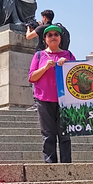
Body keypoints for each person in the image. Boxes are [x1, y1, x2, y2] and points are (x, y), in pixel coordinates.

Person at [29, 25, 76, 163]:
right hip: (44, 99)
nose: (53, 37)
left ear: (60, 38)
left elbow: (78, 76)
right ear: (45, 39)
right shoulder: (39, 55)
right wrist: (45, 67)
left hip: (65, 100)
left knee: (65, 134)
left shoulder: (69, 55)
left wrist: (68, 64)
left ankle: (67, 164)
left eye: (56, 34)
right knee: (48, 134)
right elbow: (32, 77)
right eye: (50, 35)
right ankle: (50, 165)